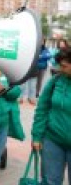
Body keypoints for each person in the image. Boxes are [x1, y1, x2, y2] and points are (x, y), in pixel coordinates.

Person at [31, 47, 71, 185]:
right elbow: (42, 108)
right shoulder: (56, 80)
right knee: (49, 181)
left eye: (64, 66)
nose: (60, 69)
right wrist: (36, 136)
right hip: (53, 140)